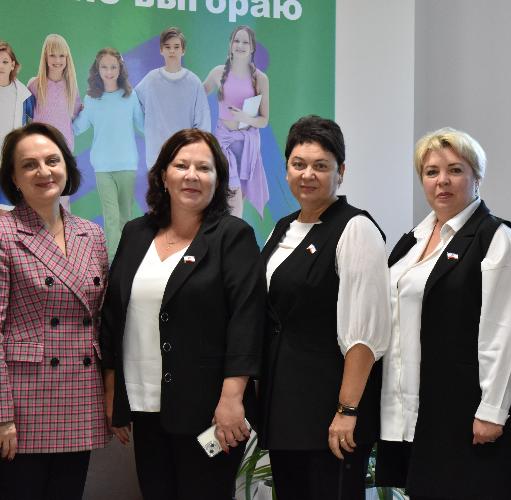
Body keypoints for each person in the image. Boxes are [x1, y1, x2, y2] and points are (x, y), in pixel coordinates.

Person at [99, 128, 265, 500]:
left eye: (204, 168)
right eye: (181, 165)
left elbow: (247, 320)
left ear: (218, 180)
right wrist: (113, 393)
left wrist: (232, 399)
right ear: (163, 175)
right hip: (145, 405)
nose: (192, 175)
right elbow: (112, 316)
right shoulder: (136, 233)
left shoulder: (233, 236)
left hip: (211, 412)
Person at [376, 128, 511, 499]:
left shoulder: (498, 239)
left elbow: (506, 334)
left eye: (455, 170)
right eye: (431, 172)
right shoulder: (412, 241)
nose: (442, 180)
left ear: (477, 177)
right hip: (419, 414)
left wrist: (492, 411)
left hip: (470, 414)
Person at [256, 115, 390, 500]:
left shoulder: (356, 229)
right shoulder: (282, 227)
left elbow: (365, 335)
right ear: (286, 169)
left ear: (341, 172)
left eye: (321, 166)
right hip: (286, 408)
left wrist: (347, 411)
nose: (308, 175)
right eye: (299, 164)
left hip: (331, 413)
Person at [0, 122, 109, 499]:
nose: (43, 171)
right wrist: (2, 415)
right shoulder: (4, 231)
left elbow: (101, 320)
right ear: (14, 178)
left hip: (79, 397)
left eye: (52, 160)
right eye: (29, 165)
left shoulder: (90, 234)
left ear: (67, 166)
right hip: (22, 405)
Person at [74, 47, 144, 261]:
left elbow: (143, 124)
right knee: (111, 217)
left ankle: (127, 260)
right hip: (103, 167)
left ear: (120, 69)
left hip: (127, 165)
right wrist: (68, 110)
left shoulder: (130, 96)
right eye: (104, 67)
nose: (109, 71)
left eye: (113, 67)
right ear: (98, 69)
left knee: (125, 217)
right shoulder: (92, 99)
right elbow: (78, 127)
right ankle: (113, 263)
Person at [204, 25, 270, 219]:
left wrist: (246, 118)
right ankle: (231, 235)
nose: (240, 45)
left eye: (245, 42)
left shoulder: (260, 78)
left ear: (252, 47)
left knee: (237, 198)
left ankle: (229, 233)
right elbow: (197, 95)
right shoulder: (218, 72)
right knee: (231, 193)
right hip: (223, 142)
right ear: (230, 45)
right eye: (236, 41)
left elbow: (264, 120)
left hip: (247, 145)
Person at [135, 27, 211, 170]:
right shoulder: (151, 80)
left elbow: (203, 122)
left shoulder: (193, 82)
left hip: (184, 157)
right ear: (161, 50)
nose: (172, 51)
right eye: (167, 47)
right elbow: (134, 106)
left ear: (183, 50)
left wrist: (197, 152)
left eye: (176, 47)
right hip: (156, 157)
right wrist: (149, 130)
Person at [28, 34, 80, 211]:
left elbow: (75, 115)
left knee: (63, 199)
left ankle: (62, 229)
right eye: (52, 55)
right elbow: (26, 117)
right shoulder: (35, 85)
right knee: (40, 197)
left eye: (61, 56)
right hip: (38, 151)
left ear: (67, 58)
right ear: (45, 57)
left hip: (63, 152)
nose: (57, 60)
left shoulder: (71, 87)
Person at [0, 41, 33, 156]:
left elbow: (36, 116)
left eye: (5, 62)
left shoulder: (23, 94)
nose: (1, 66)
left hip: (13, 151)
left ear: (12, 65)